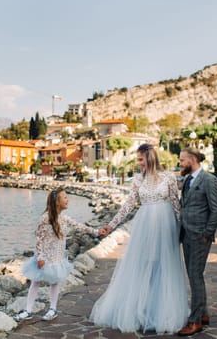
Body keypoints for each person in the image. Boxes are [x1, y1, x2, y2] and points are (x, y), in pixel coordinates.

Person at [90, 143, 189, 334]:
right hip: (144, 228)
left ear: (150, 157)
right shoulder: (137, 180)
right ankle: (140, 310)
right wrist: (111, 225)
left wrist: (183, 230)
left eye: (141, 159)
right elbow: (127, 206)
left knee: (163, 267)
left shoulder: (168, 177)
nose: (139, 163)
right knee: (144, 265)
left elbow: (176, 206)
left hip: (165, 228)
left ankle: (160, 311)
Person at [14, 187, 107, 322]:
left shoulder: (64, 218)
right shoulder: (45, 218)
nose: (67, 199)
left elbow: (80, 226)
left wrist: (97, 231)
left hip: (57, 257)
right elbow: (39, 238)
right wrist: (40, 257)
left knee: (55, 282)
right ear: (57, 202)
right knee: (35, 281)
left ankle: (53, 309)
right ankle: (28, 310)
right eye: (65, 197)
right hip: (44, 257)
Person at [177, 147, 217, 336]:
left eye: (182, 160)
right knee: (195, 275)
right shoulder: (188, 179)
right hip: (187, 234)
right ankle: (203, 313)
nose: (180, 163)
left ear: (193, 159)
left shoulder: (209, 180)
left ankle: (195, 321)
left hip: (199, 236)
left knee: (195, 276)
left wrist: (207, 232)